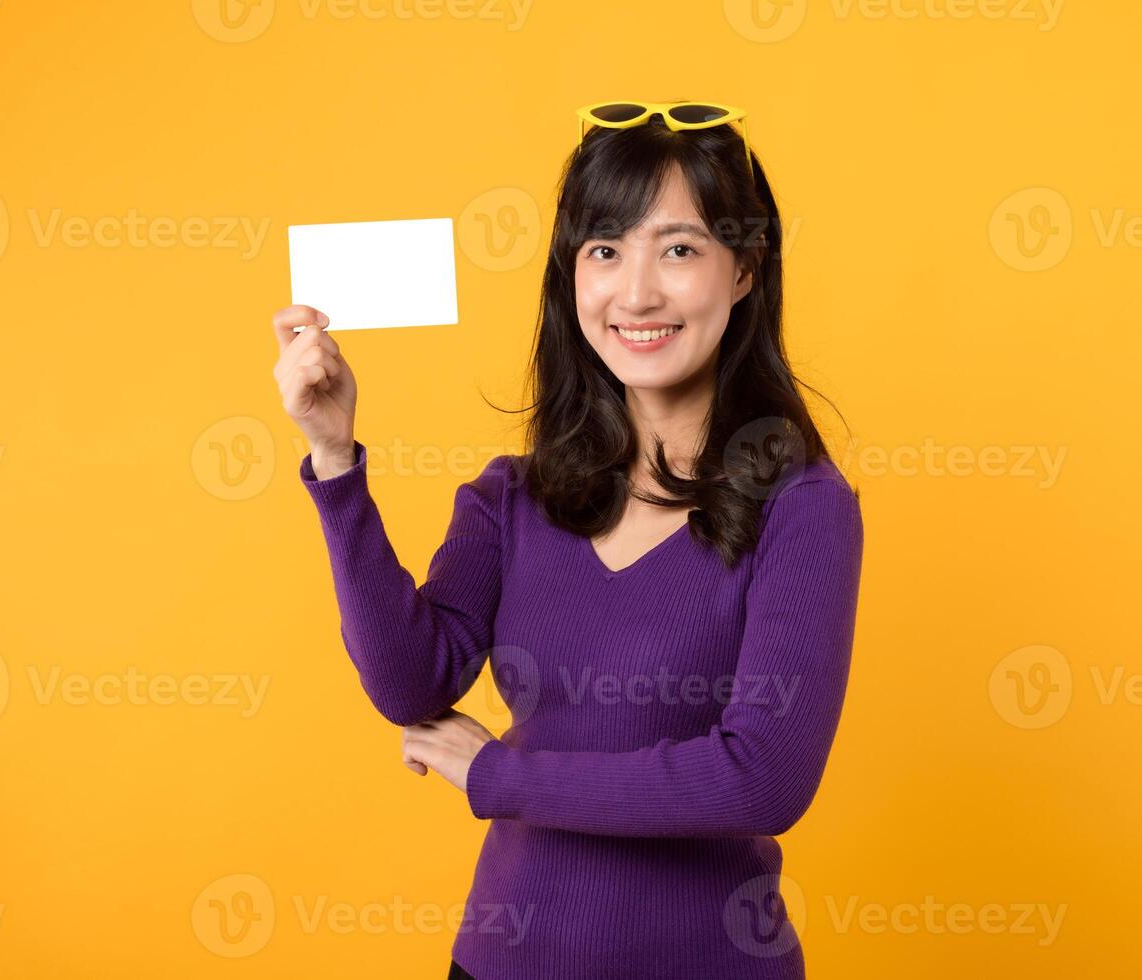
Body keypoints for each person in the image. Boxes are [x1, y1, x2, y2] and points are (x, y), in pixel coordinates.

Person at [269, 101, 864, 980]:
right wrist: (333, 459)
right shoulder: (514, 496)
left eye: (679, 248)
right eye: (604, 250)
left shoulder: (804, 506)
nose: (636, 294)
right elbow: (410, 684)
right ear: (571, 277)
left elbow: (763, 780)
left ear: (743, 270)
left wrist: (502, 777)